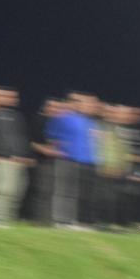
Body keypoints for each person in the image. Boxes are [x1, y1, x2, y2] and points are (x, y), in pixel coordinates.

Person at [0, 85, 31, 227]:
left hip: (17, 160)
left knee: (16, 192)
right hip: (0, 159)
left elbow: (21, 137)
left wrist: (24, 155)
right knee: (0, 191)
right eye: (2, 96)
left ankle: (6, 220)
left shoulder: (16, 116)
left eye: (11, 97)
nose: (8, 99)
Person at [49, 91, 100, 228]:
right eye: (86, 102)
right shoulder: (63, 117)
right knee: (65, 191)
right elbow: (52, 136)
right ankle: (61, 220)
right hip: (68, 159)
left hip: (88, 161)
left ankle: (77, 221)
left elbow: (95, 141)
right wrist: (62, 150)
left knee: (82, 193)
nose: (90, 105)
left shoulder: (91, 122)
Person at [26, 98, 65, 224]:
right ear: (45, 107)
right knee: (42, 191)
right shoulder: (38, 121)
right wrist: (46, 150)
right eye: (52, 106)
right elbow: (30, 141)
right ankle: (39, 219)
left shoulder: (60, 123)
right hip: (41, 161)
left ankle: (49, 218)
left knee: (53, 192)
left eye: (58, 107)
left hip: (58, 162)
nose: (55, 110)